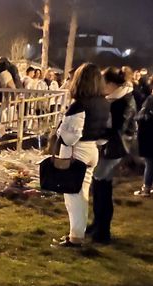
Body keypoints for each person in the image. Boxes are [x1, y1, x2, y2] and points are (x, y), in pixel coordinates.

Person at [53, 63, 110, 247]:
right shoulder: (104, 103)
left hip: (77, 151)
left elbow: (69, 137)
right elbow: (105, 131)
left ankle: (76, 237)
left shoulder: (79, 105)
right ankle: (76, 233)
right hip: (92, 149)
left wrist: (60, 130)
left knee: (74, 197)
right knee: (81, 194)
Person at [87, 67, 137, 244]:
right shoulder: (116, 98)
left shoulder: (122, 101)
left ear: (111, 84)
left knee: (102, 186)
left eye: (102, 83)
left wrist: (99, 132)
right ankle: (97, 224)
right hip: (111, 146)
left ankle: (103, 231)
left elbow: (118, 127)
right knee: (100, 185)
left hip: (115, 147)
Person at [134, 82, 153, 196]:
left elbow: (140, 116)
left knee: (149, 163)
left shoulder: (150, 100)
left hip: (149, 137)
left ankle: (146, 188)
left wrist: (140, 117)